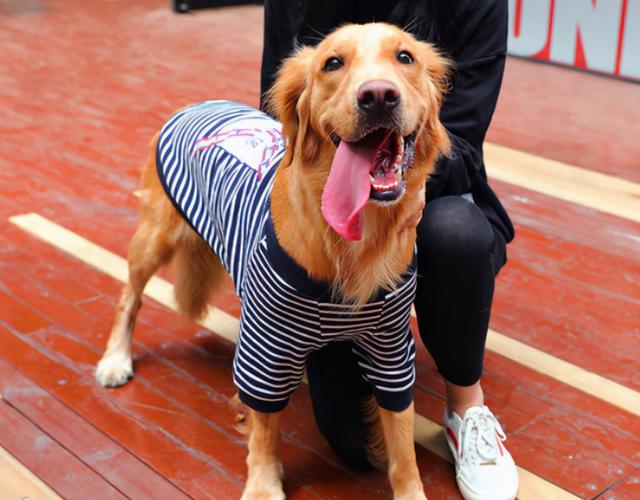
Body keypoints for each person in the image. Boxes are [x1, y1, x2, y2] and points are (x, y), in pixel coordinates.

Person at [260, 1, 519, 498]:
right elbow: (278, 115)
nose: (376, 89)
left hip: (440, 183)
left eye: (402, 61)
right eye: (335, 63)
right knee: (358, 449)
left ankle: (467, 407)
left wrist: (415, 186)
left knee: (456, 233)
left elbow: (461, 136)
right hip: (331, 188)